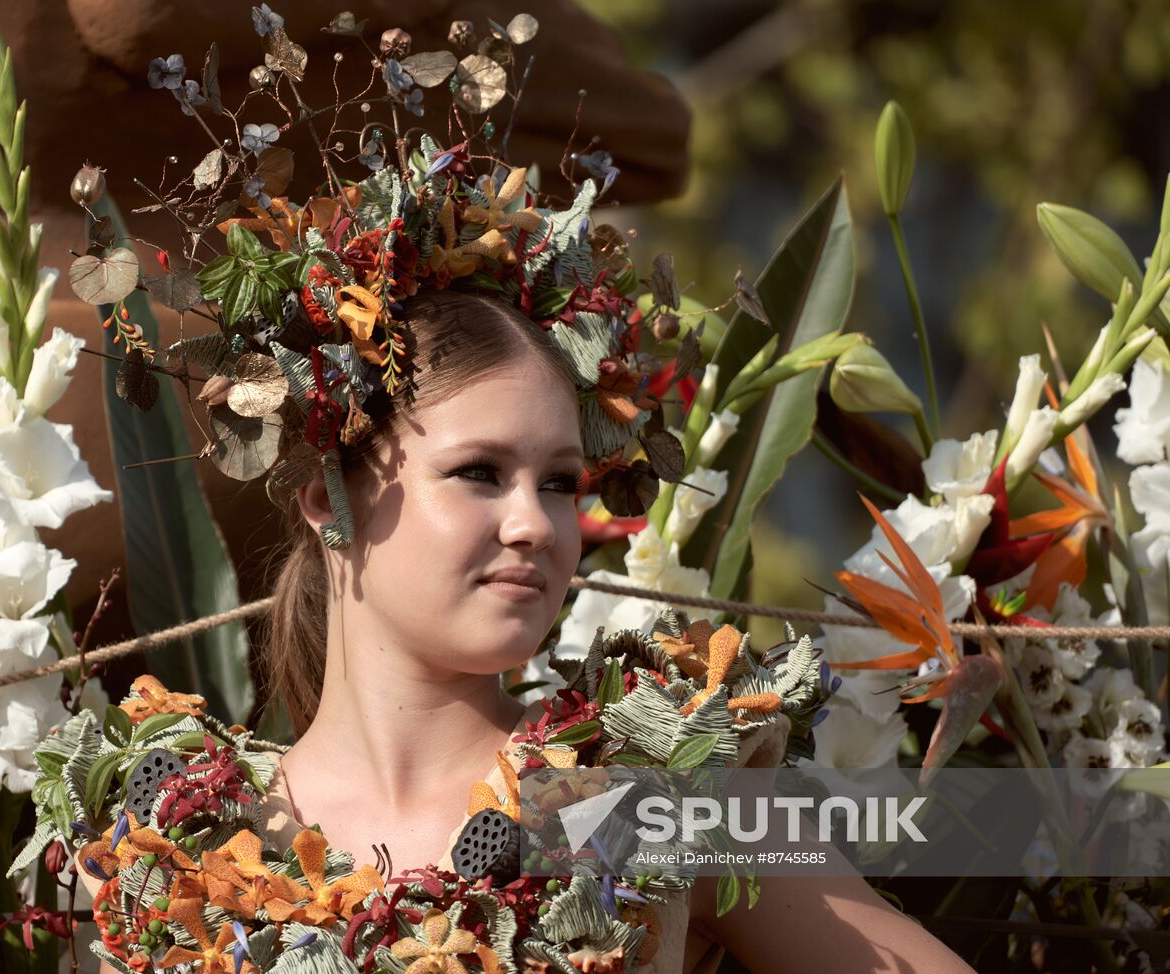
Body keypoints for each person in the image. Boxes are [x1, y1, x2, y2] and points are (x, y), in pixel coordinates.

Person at [259, 288, 975, 973]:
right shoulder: (183, 828)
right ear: (328, 497)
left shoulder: (640, 785)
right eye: (480, 472)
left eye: (559, 484)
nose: (535, 524)